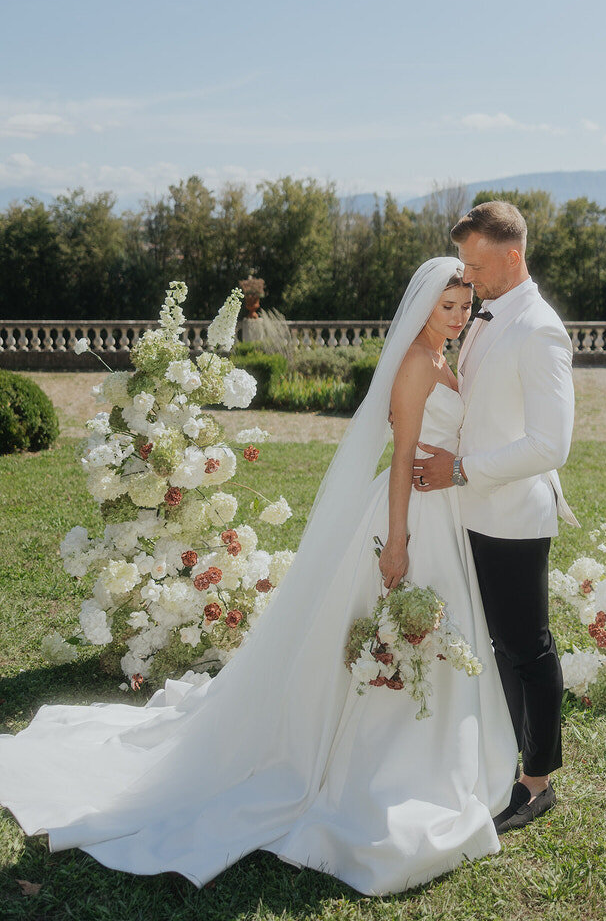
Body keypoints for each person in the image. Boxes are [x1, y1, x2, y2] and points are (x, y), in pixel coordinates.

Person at [0, 257, 518, 896]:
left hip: (446, 515)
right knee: (391, 630)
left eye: (465, 306)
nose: (459, 316)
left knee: (440, 633)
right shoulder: (416, 364)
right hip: (409, 516)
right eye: (448, 307)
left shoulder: (447, 359)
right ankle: (380, 763)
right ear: (422, 309)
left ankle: (436, 756)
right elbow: (404, 453)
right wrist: (398, 542)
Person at [412, 201, 577, 834]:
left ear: (512, 256)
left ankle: (536, 783)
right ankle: (501, 758)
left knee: (526, 647)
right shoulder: (483, 313)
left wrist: (459, 470)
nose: (469, 276)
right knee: (498, 647)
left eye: (478, 265)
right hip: (471, 511)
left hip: (511, 514)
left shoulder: (539, 329)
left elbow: (549, 444)